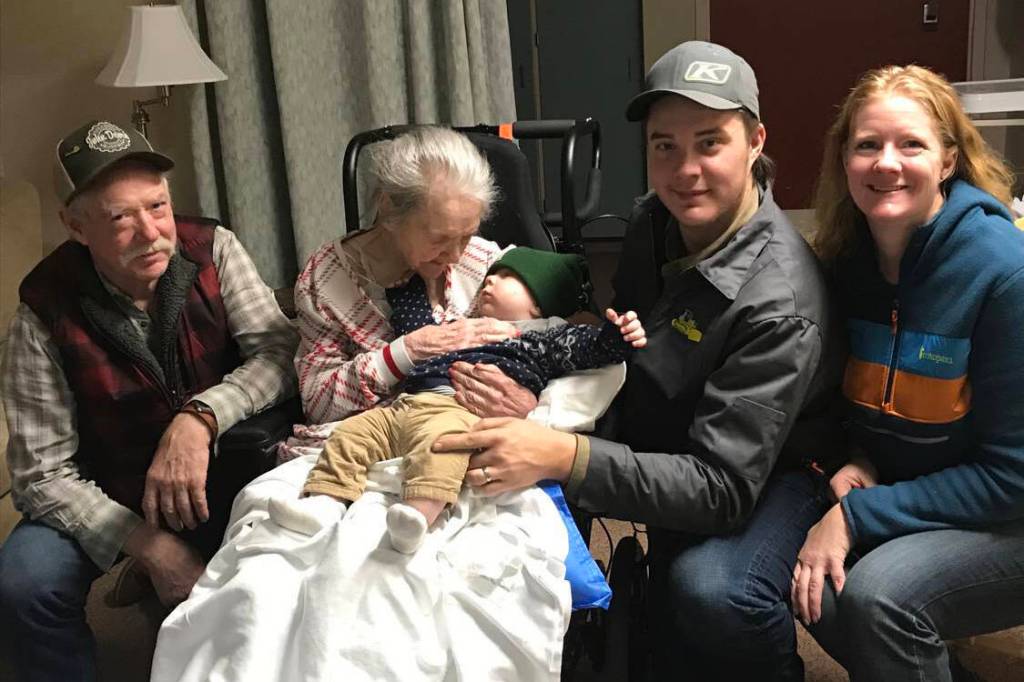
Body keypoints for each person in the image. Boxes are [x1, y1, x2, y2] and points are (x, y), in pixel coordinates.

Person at [432, 41, 840, 680]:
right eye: (664, 146)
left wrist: (562, 452)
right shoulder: (653, 221)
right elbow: (622, 353)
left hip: (777, 471)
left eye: (710, 143)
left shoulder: (779, 304)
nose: (685, 170)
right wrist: (545, 405)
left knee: (711, 589)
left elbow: (724, 489)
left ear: (755, 141)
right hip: (675, 424)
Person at [0, 120, 299, 681]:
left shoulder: (214, 249)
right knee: (24, 583)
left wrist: (200, 417)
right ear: (76, 226)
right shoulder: (42, 311)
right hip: (109, 487)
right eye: (120, 218)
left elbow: (280, 353)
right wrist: (149, 545)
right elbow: (41, 475)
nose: (150, 232)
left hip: (224, 465)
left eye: (158, 206)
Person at [792, 65, 1024, 681]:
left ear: (948, 160)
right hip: (929, 494)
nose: (886, 163)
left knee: (879, 596)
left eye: (911, 144)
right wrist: (860, 457)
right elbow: (851, 400)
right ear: (845, 161)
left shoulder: (1005, 273)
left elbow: (1014, 475)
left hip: (1012, 512)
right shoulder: (843, 264)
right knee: (807, 572)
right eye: (867, 144)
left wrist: (858, 516)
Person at [282, 247, 645, 553]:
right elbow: (412, 319)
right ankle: (325, 501)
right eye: (491, 274)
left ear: (538, 305)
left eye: (507, 277)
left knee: (443, 448)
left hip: (455, 411)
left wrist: (617, 336)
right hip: (404, 406)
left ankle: (417, 515)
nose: (490, 280)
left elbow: (587, 349)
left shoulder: (540, 337)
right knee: (351, 434)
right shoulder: (454, 326)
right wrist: (407, 272)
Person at [278, 125, 542, 462]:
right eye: (439, 238)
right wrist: (406, 352)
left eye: (466, 236)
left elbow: (567, 329)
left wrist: (529, 400)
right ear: (389, 208)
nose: (455, 255)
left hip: (466, 441)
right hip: (368, 444)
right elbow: (319, 403)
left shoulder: (486, 261)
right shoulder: (326, 279)